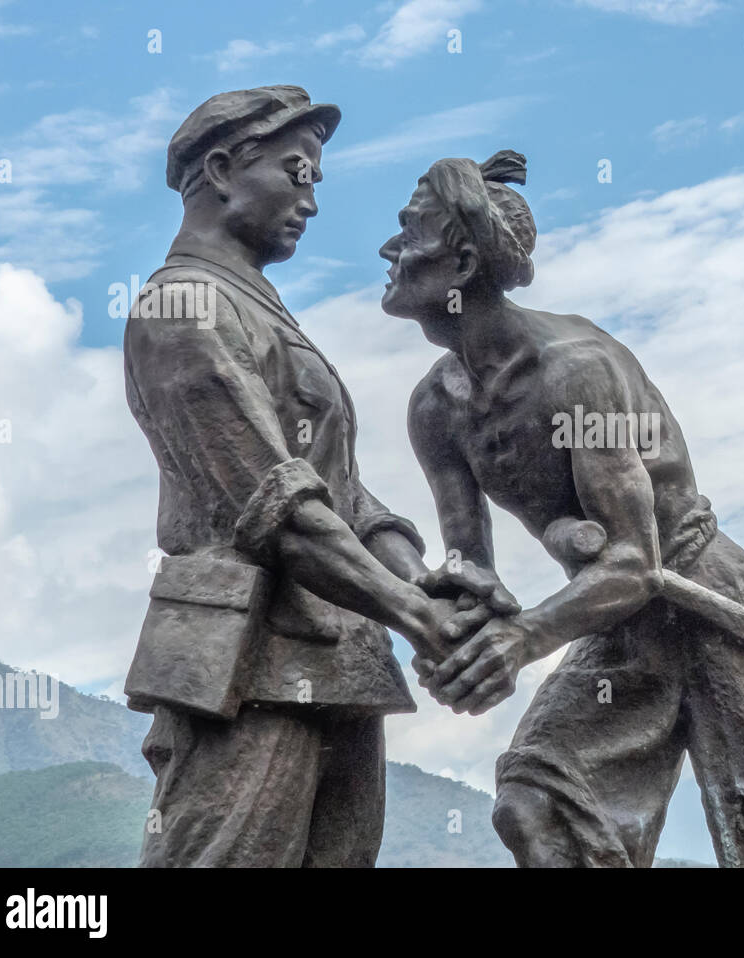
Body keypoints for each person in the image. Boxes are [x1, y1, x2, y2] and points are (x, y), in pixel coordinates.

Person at [381, 149, 744, 867]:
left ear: (462, 264)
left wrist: (523, 640)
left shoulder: (578, 369)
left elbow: (635, 558)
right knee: (535, 810)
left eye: (409, 232)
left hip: (703, 597)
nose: (389, 249)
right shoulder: (436, 409)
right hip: (613, 619)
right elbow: (474, 569)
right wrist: (457, 629)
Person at [123, 87, 505, 867]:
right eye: (297, 174)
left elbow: (346, 495)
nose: (312, 201)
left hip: (342, 662)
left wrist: (422, 580)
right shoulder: (183, 307)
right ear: (223, 169)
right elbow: (277, 505)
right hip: (246, 670)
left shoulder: (261, 312)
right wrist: (415, 615)